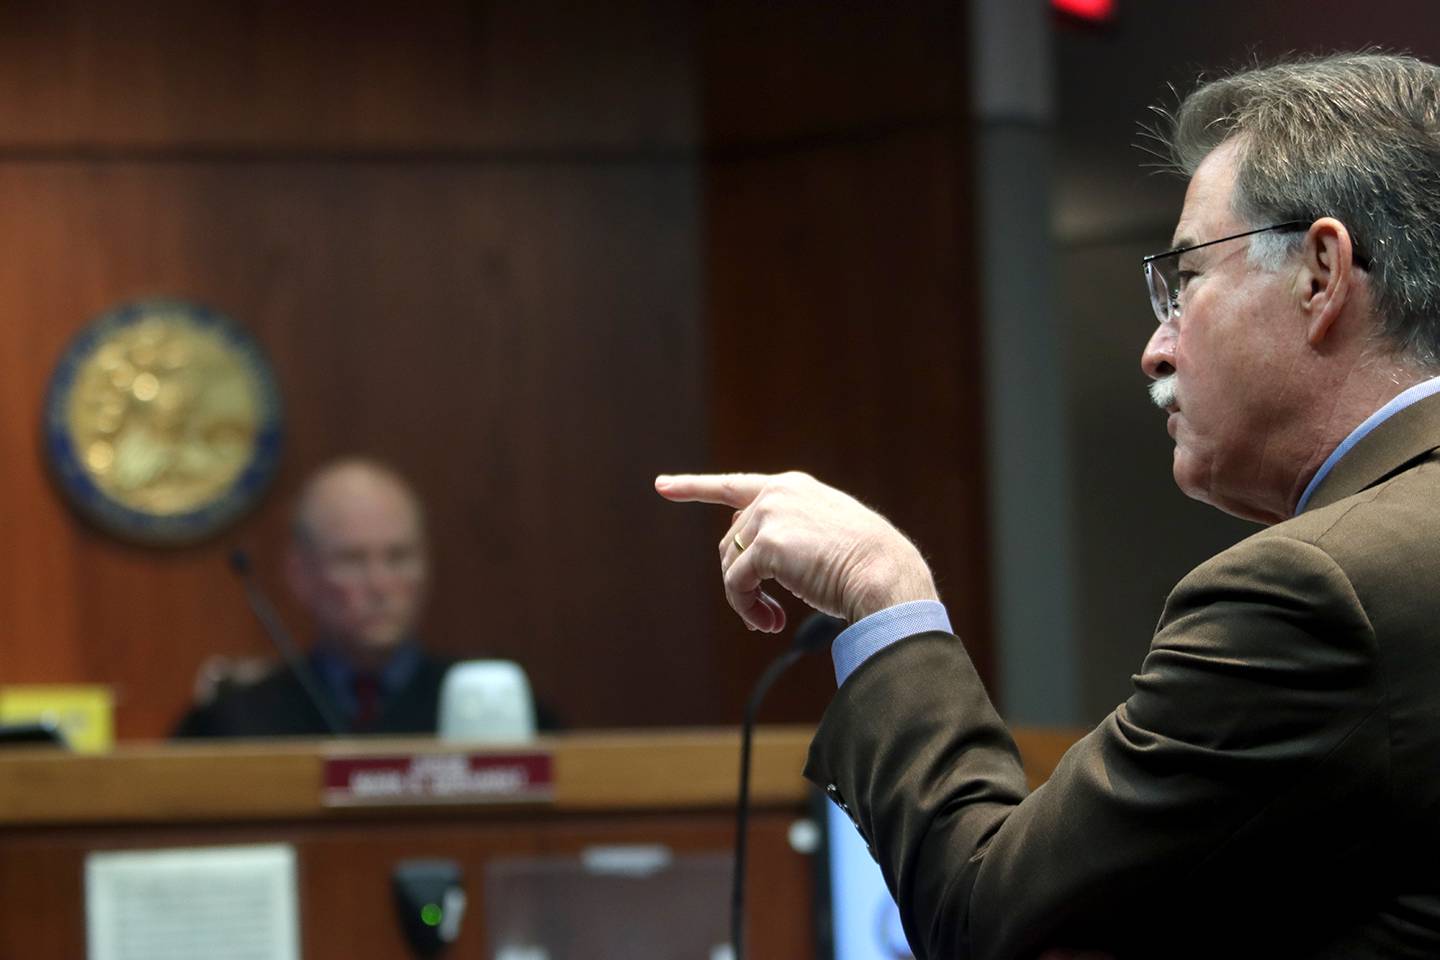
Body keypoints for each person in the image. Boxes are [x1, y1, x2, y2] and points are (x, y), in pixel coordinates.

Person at [659, 52, 1440, 959]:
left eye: (1183, 279)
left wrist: (884, 598)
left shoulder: (1316, 593)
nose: (1155, 349)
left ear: (1321, 272)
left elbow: (997, 918)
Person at [176, 458, 454, 737]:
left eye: (398, 557)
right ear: (300, 575)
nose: (379, 585)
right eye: (352, 560)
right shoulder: (237, 717)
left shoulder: (479, 705)